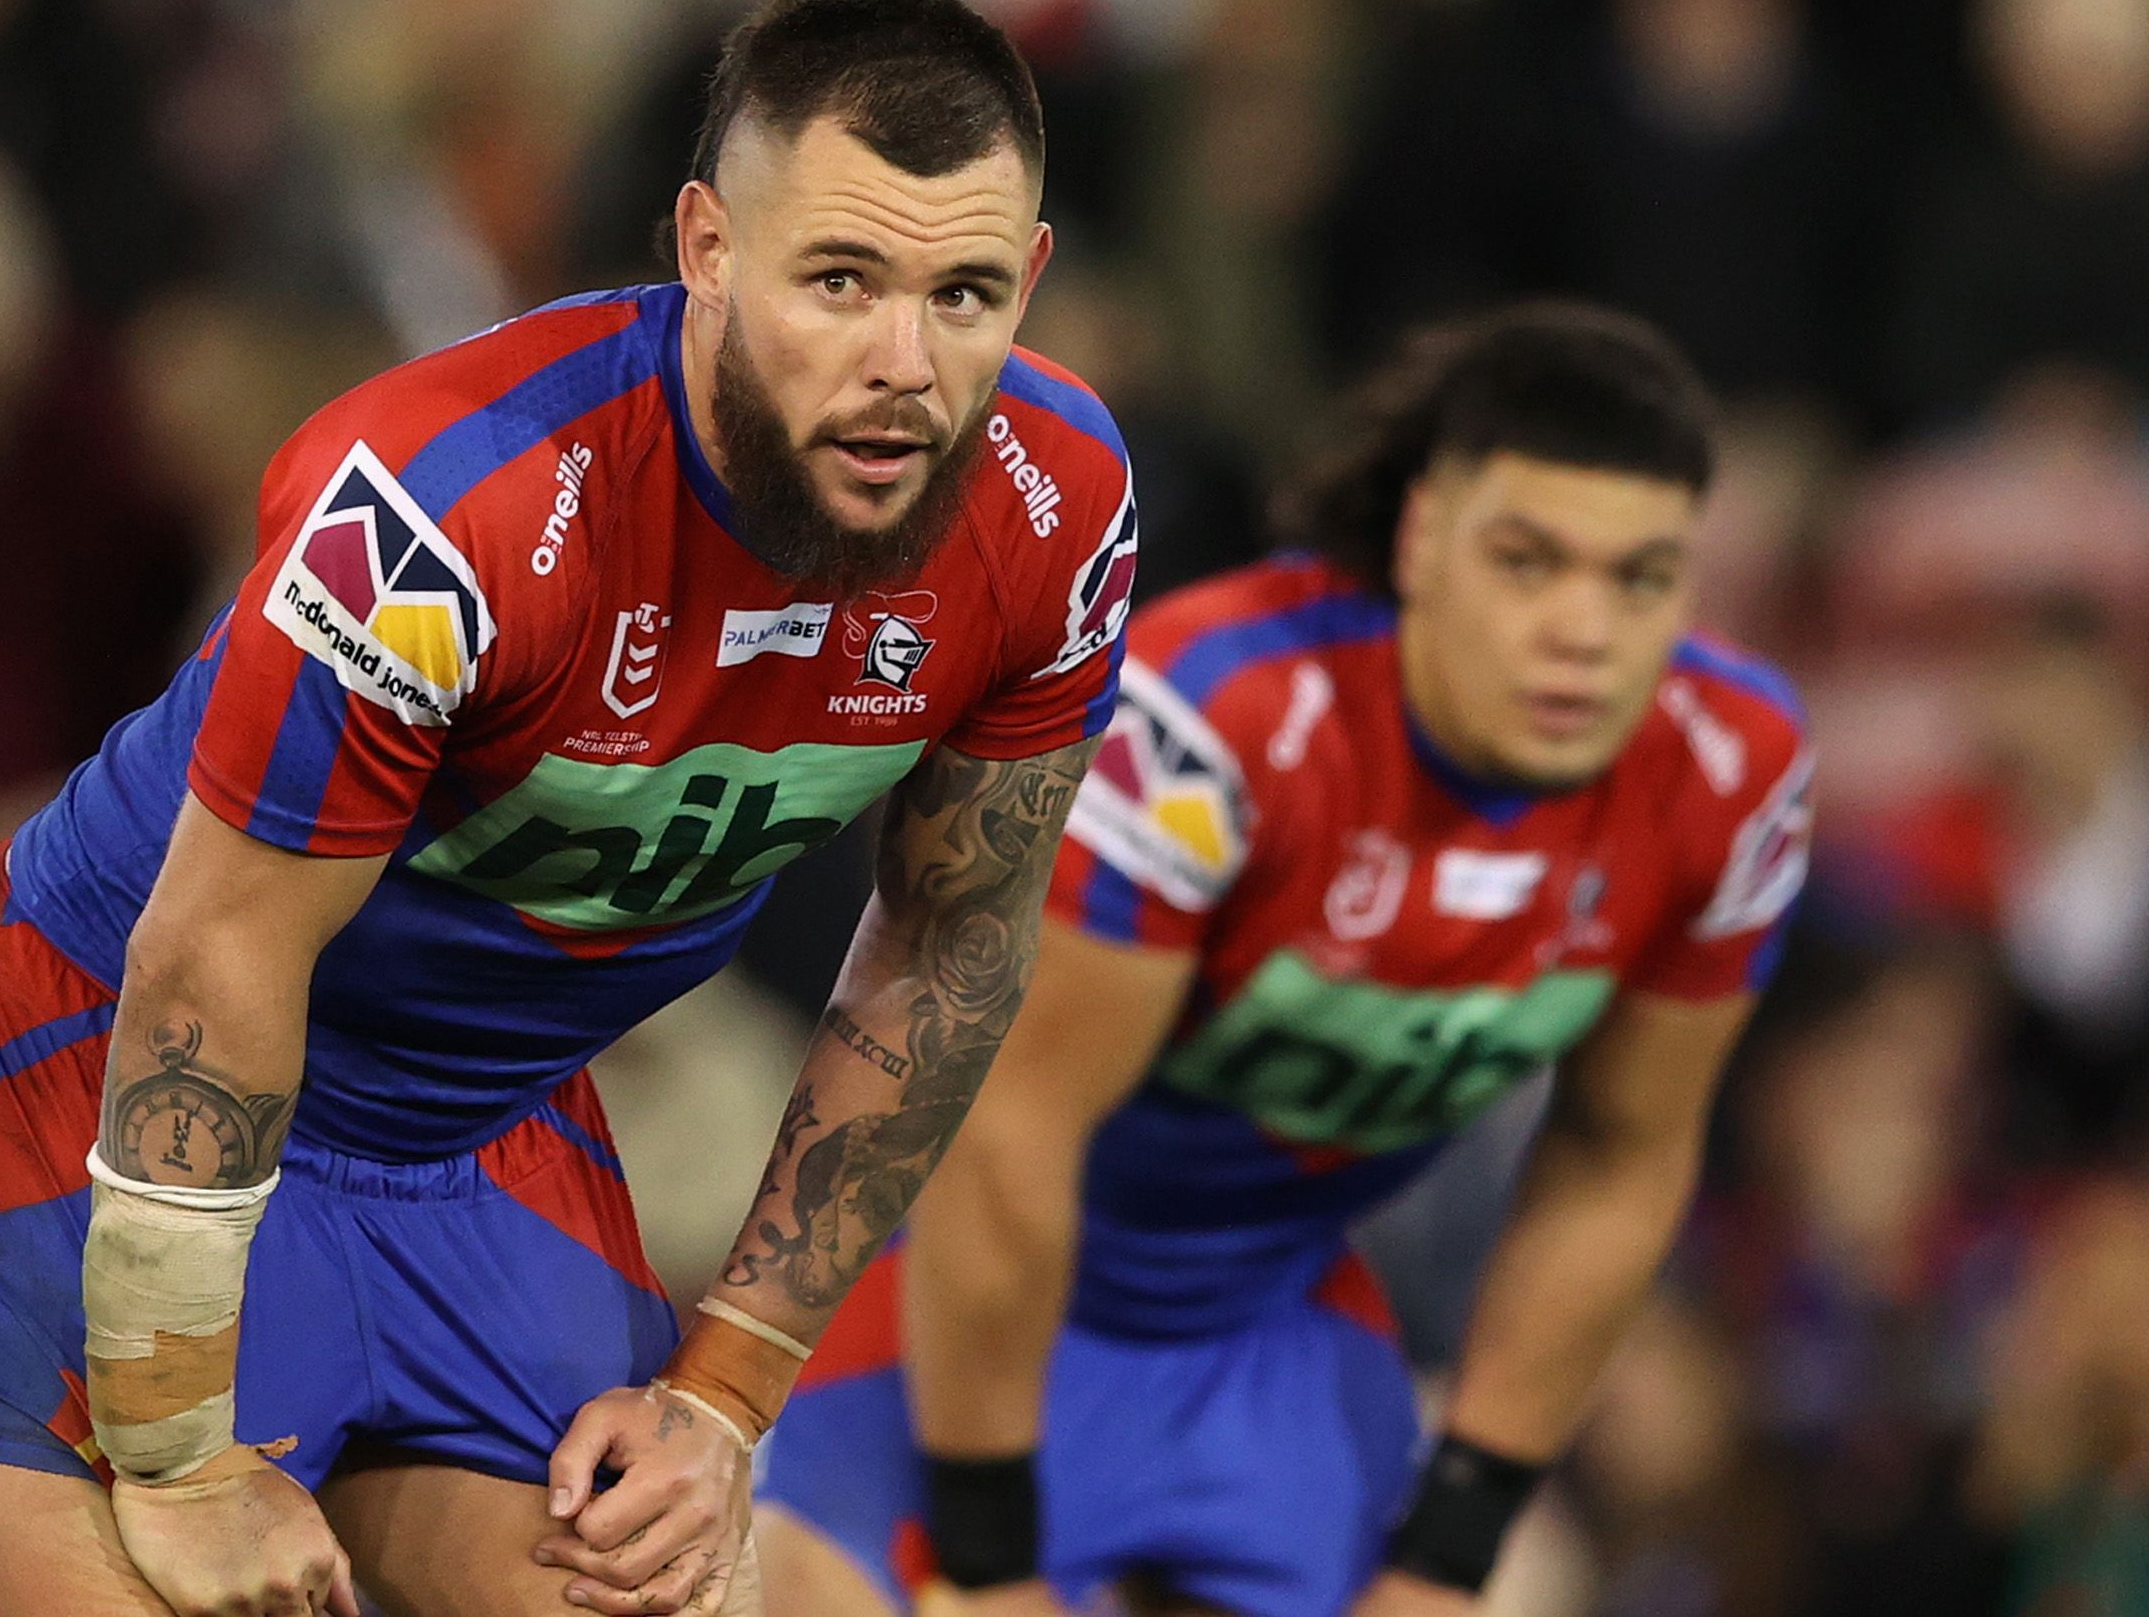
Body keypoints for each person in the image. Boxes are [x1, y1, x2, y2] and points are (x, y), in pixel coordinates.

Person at [0, 0, 1140, 1617]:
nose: (906, 364)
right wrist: (177, 1452)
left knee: (677, 1592)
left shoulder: (1064, 512)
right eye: (841, 279)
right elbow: (218, 964)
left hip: (479, 1126)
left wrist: (725, 1392)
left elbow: (951, 951)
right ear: (706, 249)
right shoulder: (435, 511)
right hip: (98, 1069)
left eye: (966, 294)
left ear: (1030, 278)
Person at [756, 304, 1813, 1617]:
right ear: (1424, 540)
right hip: (986, 1312)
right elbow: (1006, 1128)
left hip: (1280, 1338)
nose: (1585, 634)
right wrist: (983, 1551)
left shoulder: (1733, 772)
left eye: (1641, 580)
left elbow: (1622, 1153)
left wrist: (1450, 1553)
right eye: (1532, 563)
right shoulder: (1219, 723)